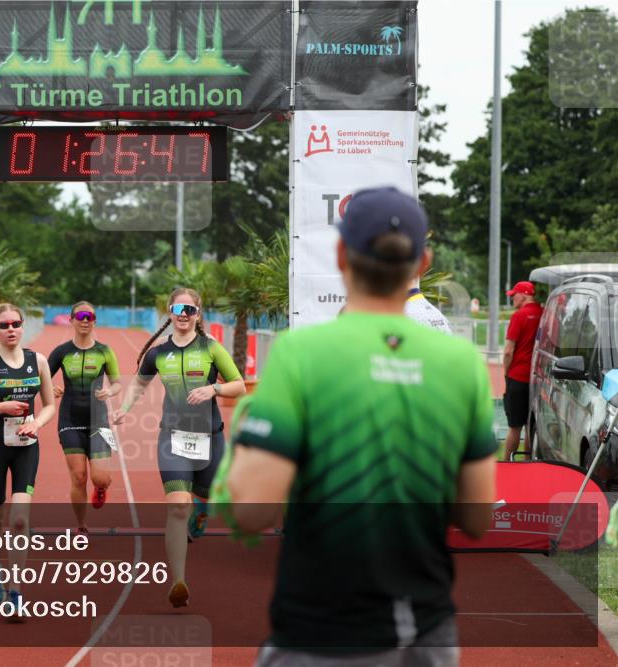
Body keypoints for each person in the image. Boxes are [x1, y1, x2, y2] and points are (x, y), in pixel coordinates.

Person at [221, 187, 497, 666]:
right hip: (423, 630)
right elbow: (475, 517)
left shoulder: (301, 354)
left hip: (317, 629)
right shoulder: (461, 364)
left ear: (342, 254)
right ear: (423, 261)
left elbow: (250, 513)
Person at [113, 288, 245, 608]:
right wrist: (124, 409)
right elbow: (139, 385)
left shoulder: (211, 348)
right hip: (172, 438)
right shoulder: (158, 353)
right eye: (177, 308)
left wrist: (213, 389)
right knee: (176, 506)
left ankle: (201, 511)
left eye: (189, 309)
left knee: (210, 495)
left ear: (198, 314)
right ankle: (178, 581)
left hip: (210, 438)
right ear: (170, 312)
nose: (183, 314)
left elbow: (239, 385)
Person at [0, 303, 56, 610]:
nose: (11, 329)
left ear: (23, 327)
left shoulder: (39, 362)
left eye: (16, 323)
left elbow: (48, 405)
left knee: (20, 521)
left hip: (26, 448)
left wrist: (36, 422)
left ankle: (16, 589)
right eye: (4, 325)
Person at [47, 302, 122, 532]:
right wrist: (51, 388)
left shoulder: (104, 351)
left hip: (99, 421)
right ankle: (81, 525)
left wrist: (110, 391)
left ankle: (100, 489)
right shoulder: (61, 352)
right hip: (69, 420)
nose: (85, 320)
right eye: (80, 316)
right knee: (78, 477)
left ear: (94, 321)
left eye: (90, 316)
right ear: (71, 320)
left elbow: (118, 383)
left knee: (100, 478)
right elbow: (42, 380)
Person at [503, 280, 543, 461]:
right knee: (529, 424)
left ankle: (505, 462)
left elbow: (508, 351)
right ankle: (527, 462)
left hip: (518, 376)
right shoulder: (544, 313)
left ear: (524, 295)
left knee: (514, 426)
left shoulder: (519, 316)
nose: (512, 299)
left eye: (514, 295)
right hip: (537, 378)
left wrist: (506, 371)